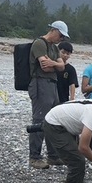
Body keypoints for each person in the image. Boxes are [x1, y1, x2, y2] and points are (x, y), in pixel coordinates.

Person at [28, 21, 69, 169]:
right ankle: (34, 157)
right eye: (61, 35)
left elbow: (62, 66)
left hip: (52, 85)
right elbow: (45, 66)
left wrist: (54, 64)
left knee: (53, 120)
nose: (61, 39)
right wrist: (55, 64)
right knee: (40, 120)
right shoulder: (39, 44)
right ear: (54, 30)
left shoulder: (54, 47)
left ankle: (53, 156)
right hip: (40, 83)